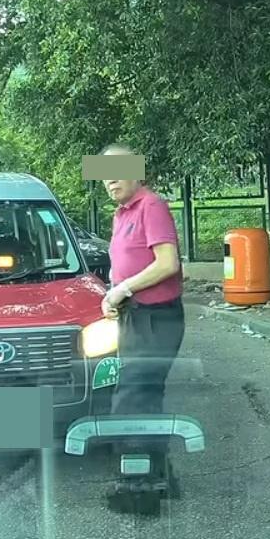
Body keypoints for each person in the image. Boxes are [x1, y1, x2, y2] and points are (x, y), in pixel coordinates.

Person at [98, 143, 185, 496]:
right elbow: (127, 262)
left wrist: (123, 290)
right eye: (103, 173)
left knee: (134, 396)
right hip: (136, 316)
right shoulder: (122, 212)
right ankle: (157, 475)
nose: (109, 179)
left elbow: (168, 264)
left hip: (157, 319)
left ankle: (137, 483)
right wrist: (113, 293)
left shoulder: (151, 205)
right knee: (142, 394)